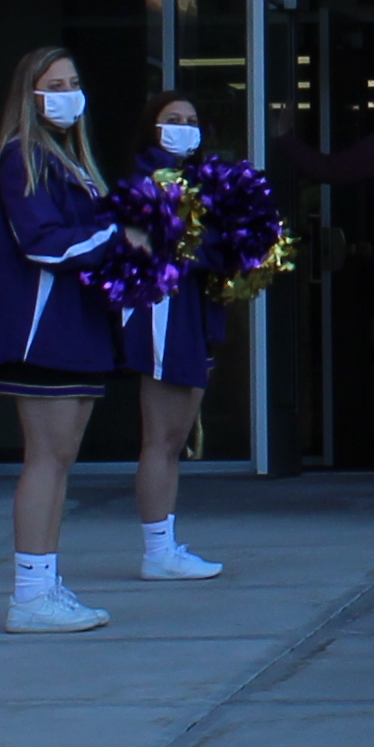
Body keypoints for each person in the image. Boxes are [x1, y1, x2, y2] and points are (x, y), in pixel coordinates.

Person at [0, 43, 133, 630]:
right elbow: (44, 243)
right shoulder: (20, 159)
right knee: (44, 458)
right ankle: (28, 594)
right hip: (39, 330)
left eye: (73, 81)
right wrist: (123, 232)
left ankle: (44, 581)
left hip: (79, 326)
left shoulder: (72, 161)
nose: (68, 93)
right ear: (31, 93)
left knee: (61, 458)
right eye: (55, 83)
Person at [107, 81, 241, 580]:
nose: (183, 130)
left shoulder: (204, 181)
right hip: (164, 312)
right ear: (152, 129)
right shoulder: (144, 185)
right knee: (161, 437)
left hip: (197, 312)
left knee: (177, 435)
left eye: (190, 122)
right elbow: (161, 247)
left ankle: (165, 542)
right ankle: (157, 550)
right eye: (172, 121)